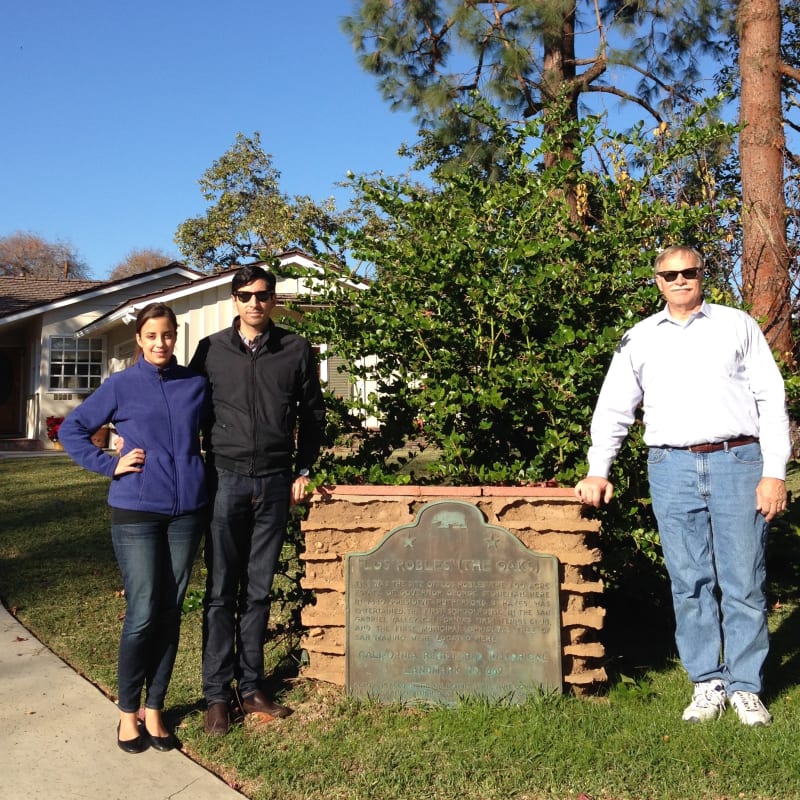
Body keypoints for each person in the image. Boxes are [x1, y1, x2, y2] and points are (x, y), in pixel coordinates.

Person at [575, 245, 790, 727]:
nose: (679, 280)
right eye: (669, 274)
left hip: (738, 461)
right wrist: (598, 468)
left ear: (702, 275)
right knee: (689, 581)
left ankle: (746, 687)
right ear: (657, 281)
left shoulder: (736, 326)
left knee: (743, 580)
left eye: (688, 272)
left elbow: (770, 398)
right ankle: (707, 683)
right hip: (670, 468)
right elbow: (613, 408)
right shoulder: (639, 338)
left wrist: (774, 471)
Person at [59, 303, 210, 753]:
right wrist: (109, 464)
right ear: (140, 341)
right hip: (136, 510)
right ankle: (128, 713)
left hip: (188, 512)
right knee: (144, 608)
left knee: (171, 609)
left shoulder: (195, 384)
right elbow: (72, 430)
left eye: (167, 334)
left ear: (175, 336)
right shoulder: (121, 386)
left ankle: (156, 708)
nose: (161, 343)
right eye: (152, 336)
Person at [189, 264, 326, 736]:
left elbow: (313, 415)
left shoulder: (295, 349)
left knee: (259, 590)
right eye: (246, 295)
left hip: (273, 483)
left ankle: (250, 689)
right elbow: (187, 409)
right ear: (234, 299)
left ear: (274, 300)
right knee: (220, 592)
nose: (254, 303)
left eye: (263, 295)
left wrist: (304, 468)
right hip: (224, 480)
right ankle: (215, 697)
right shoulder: (211, 351)